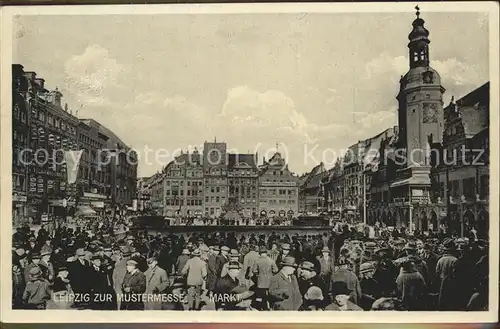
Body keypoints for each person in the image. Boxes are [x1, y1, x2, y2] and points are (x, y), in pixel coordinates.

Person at [252, 245, 279, 310]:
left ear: (260, 253)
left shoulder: (257, 261)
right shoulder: (271, 260)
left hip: (260, 281)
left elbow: (254, 270)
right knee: (269, 294)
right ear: (266, 253)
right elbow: (276, 270)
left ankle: (261, 307)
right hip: (270, 280)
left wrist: (258, 274)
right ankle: (269, 306)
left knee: (260, 295)